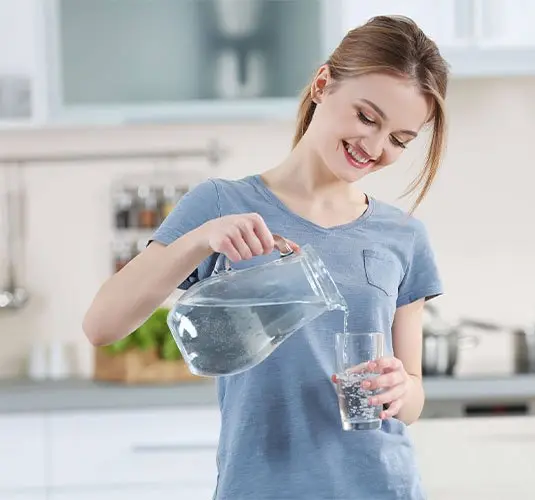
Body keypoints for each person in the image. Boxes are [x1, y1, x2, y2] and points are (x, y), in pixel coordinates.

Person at [82, 14, 449, 500]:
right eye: (367, 117)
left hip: (381, 485)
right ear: (323, 84)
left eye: (400, 140)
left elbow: (413, 396)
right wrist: (200, 240)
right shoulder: (220, 204)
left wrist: (401, 389)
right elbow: (101, 326)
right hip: (262, 486)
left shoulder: (402, 235)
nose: (376, 147)